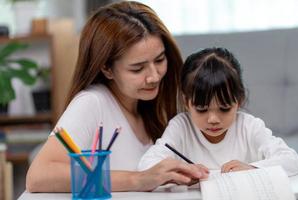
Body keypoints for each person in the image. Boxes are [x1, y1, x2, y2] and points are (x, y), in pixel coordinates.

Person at [26, 1, 209, 193]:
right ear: (107, 69)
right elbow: (38, 176)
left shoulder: (147, 106)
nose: (154, 76)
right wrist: (139, 180)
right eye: (137, 68)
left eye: (160, 60)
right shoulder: (92, 102)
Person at [138, 47, 298, 177]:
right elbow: (146, 165)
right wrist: (182, 169)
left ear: (239, 100)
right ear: (187, 102)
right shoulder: (181, 126)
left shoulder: (249, 126)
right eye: (201, 109)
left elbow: (292, 160)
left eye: (224, 109)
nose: (213, 119)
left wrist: (252, 168)